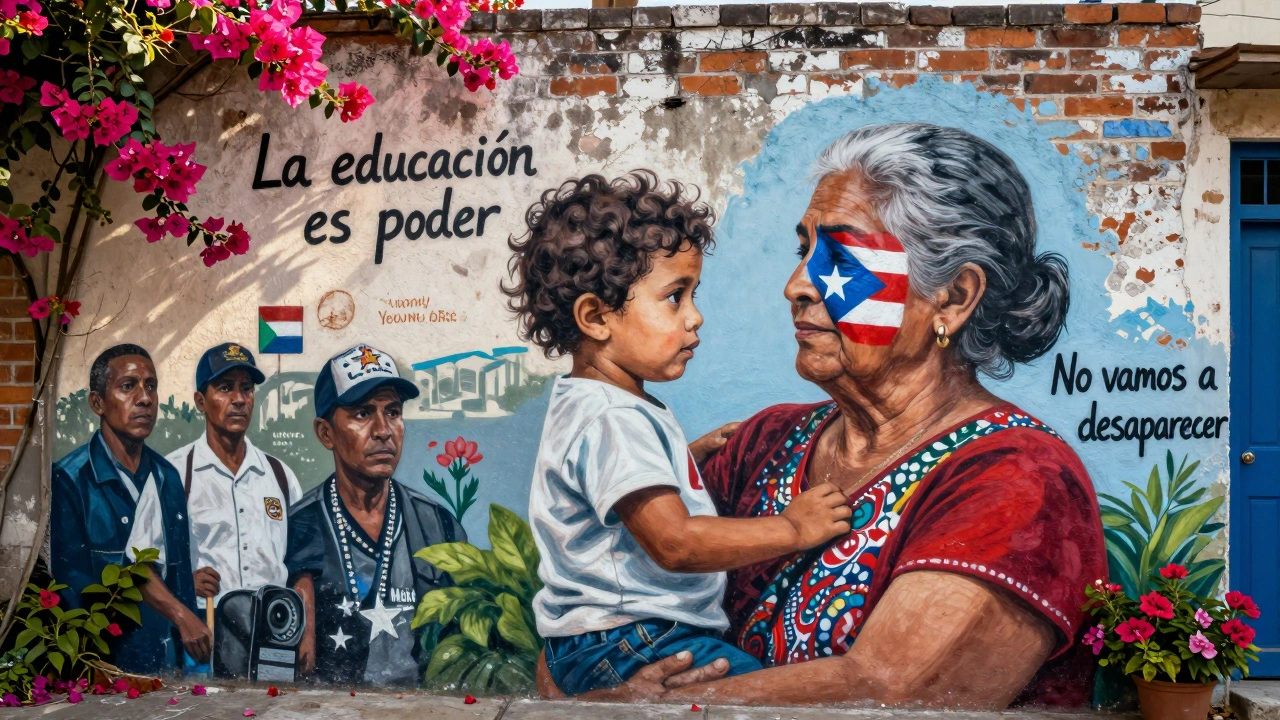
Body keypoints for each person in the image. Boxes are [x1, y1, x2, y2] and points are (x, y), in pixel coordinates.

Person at [537, 124, 1109, 709]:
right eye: (804, 250)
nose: (797, 286)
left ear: (954, 297)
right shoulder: (762, 443)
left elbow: (888, 694)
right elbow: (595, 607)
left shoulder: (1019, 478)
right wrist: (612, 697)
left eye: (843, 258)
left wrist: (648, 711)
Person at [504, 172, 853, 696]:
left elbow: (607, 496)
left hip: (593, 643)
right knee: (779, 704)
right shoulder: (613, 418)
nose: (696, 318)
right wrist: (793, 530)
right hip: (637, 640)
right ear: (597, 317)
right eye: (674, 297)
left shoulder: (594, 404)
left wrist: (683, 456)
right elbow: (674, 542)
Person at [285, 344, 465, 686]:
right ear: (326, 433)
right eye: (363, 413)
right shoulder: (303, 523)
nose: (384, 430)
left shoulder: (436, 524)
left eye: (393, 412)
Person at [50, 344, 201, 674]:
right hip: (108, 669)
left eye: (151, 385)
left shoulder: (167, 476)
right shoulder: (70, 479)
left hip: (169, 666)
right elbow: (69, 587)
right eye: (128, 386)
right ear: (97, 402)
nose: (145, 398)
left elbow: (181, 576)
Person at [127, 343, 303, 624]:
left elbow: (301, 566)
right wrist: (181, 585)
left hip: (274, 628)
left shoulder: (280, 475)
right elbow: (138, 567)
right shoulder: (172, 474)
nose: (239, 399)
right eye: (224, 388)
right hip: (205, 625)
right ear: (200, 401)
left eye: (246, 388)